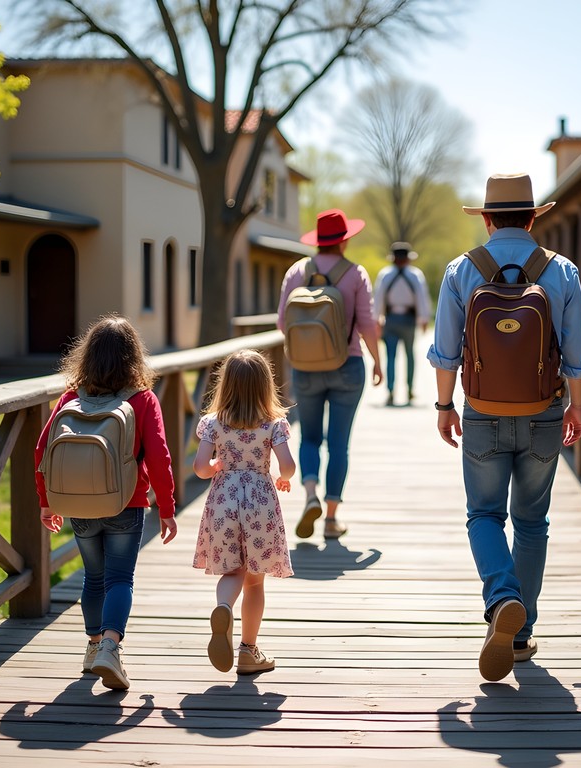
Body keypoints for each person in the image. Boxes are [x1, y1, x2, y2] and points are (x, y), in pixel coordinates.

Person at [427, 173, 581, 682]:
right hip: (544, 411)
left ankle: (502, 598)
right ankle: (520, 636)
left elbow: (445, 351)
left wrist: (444, 406)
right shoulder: (560, 270)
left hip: (482, 411)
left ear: (485, 219)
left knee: (483, 514)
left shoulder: (462, 269)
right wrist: (577, 407)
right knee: (532, 522)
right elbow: (578, 354)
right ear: (532, 218)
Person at [36, 314, 178, 691]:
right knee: (119, 579)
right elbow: (159, 458)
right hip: (126, 504)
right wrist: (166, 509)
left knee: (93, 578)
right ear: (134, 357)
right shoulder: (143, 400)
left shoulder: (71, 398)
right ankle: (110, 649)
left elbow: (42, 451)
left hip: (79, 506)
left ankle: (93, 646)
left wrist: (47, 502)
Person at [277, 208, 383, 540]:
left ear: (318, 240)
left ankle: (310, 495)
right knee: (339, 444)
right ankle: (332, 518)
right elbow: (367, 324)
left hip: (305, 368)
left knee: (309, 437)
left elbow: (281, 322)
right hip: (347, 366)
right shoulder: (355, 273)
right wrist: (378, 361)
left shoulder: (297, 271)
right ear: (344, 241)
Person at [193, 349, 296, 675]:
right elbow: (288, 466)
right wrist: (283, 478)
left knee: (233, 572)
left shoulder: (213, 423)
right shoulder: (273, 424)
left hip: (224, 502)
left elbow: (200, 467)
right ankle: (249, 651)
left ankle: (224, 607)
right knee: (254, 582)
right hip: (260, 505)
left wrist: (216, 465)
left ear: (226, 384)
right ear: (265, 385)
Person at [373, 242, 432, 406]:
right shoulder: (415, 275)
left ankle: (391, 391)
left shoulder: (385, 274)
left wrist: (377, 320)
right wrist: (423, 318)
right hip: (408, 320)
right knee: (409, 355)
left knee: (391, 356)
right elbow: (422, 298)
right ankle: (410, 390)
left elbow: (378, 299)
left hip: (391, 319)